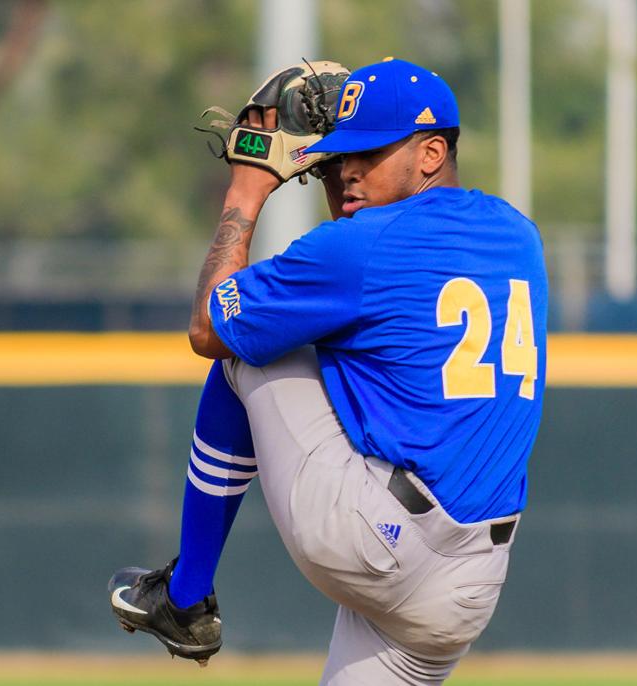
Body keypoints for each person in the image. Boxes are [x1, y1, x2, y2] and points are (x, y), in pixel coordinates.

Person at [108, 57, 548, 685]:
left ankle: (185, 599)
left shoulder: (357, 250)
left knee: (245, 359)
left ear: (429, 153)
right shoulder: (518, 235)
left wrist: (246, 192)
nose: (348, 169)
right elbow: (383, 272)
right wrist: (344, 178)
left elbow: (210, 328)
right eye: (339, 155)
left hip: (379, 544)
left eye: (368, 152)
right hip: (469, 586)